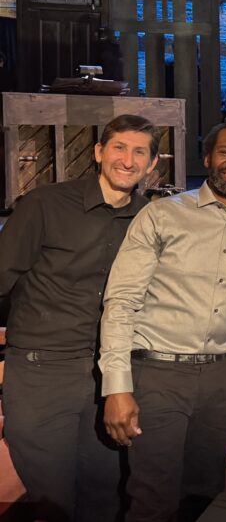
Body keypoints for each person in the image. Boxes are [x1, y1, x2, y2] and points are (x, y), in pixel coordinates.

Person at [99, 117, 226, 522]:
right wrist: (116, 387)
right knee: (152, 499)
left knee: (207, 495)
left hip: (223, 379)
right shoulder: (161, 215)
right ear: (207, 158)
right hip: (158, 375)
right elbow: (121, 302)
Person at [0, 114, 160, 521]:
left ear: (152, 164)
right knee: (53, 500)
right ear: (98, 152)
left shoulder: (152, 219)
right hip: (42, 371)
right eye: (119, 148)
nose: (128, 159)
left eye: (139, 151)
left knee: (106, 496)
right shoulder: (45, 204)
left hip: (111, 375)